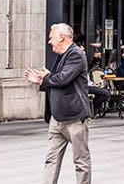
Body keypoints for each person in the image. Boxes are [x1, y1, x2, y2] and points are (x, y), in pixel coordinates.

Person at [26, 23, 93, 184]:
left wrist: (45, 78)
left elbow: (63, 79)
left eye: (51, 38)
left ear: (61, 37)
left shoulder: (76, 55)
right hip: (57, 118)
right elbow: (56, 81)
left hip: (75, 117)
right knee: (51, 160)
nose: (49, 42)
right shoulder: (63, 56)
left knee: (81, 161)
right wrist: (43, 80)